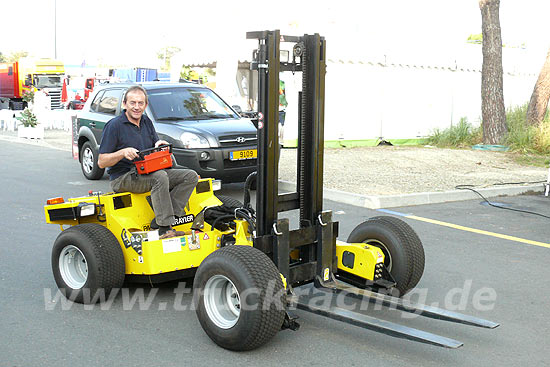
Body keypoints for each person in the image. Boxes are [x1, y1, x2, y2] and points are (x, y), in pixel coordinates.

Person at [98, 85, 199, 239]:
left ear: (145, 105)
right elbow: (101, 162)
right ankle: (165, 228)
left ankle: (162, 219)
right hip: (123, 177)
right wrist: (122, 153)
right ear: (124, 104)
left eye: (140, 103)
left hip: (147, 171)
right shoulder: (114, 126)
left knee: (190, 176)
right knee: (160, 177)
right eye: (132, 103)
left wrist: (159, 145)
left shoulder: (146, 121)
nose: (136, 107)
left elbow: (154, 145)